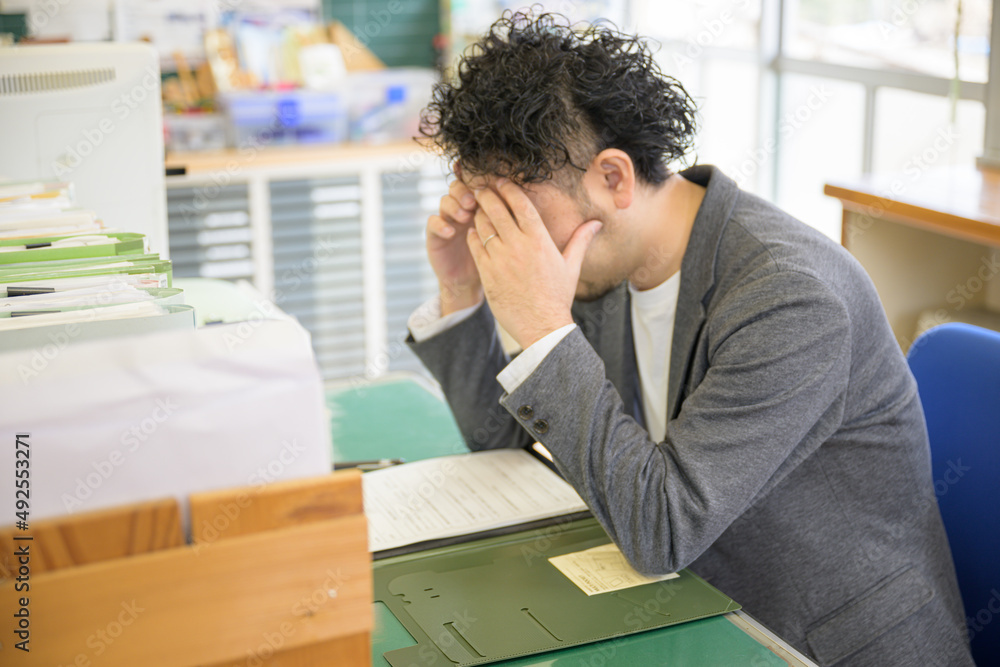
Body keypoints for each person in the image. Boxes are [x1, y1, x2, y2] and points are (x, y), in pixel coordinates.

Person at [406, 12, 973, 666]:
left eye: (518, 214)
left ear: (614, 178)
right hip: (696, 612)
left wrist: (542, 329)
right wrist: (459, 291)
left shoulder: (792, 297)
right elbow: (506, 450)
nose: (505, 242)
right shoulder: (604, 262)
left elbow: (662, 527)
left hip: (821, 644)